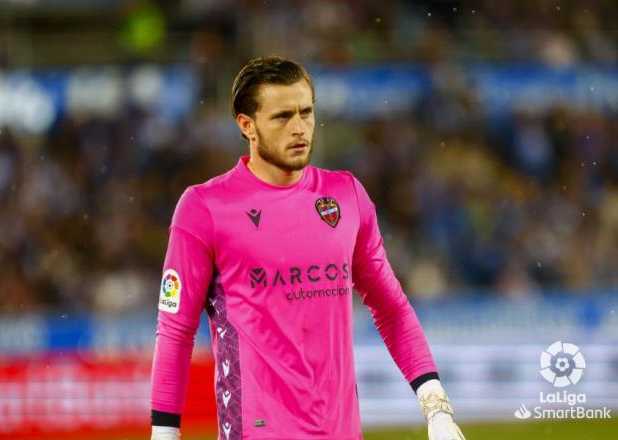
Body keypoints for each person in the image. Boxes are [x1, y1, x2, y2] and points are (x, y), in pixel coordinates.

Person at [150, 56, 465, 440]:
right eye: (282, 116)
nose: (299, 128)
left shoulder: (345, 196)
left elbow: (391, 307)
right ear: (247, 126)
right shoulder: (205, 208)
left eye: (306, 112)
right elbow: (175, 330)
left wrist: (436, 406)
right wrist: (163, 433)